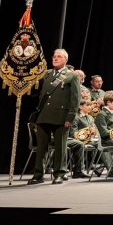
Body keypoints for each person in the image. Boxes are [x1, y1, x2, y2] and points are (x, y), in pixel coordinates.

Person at [27, 49, 81, 185]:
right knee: (41, 148)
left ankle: (59, 174)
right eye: (54, 56)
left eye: (59, 57)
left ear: (65, 60)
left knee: (60, 147)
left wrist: (70, 118)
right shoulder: (48, 74)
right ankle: (38, 174)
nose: (55, 58)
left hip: (62, 116)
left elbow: (75, 99)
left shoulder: (72, 76)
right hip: (44, 115)